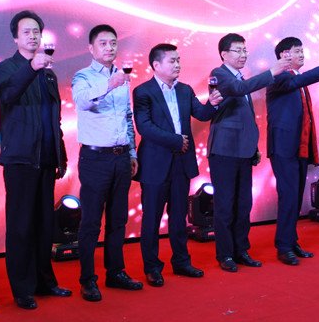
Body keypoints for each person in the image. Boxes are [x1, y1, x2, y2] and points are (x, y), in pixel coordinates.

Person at [0, 11, 71, 310]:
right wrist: (31, 67)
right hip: (20, 159)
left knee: (43, 224)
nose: (33, 36)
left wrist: (60, 154)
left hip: (46, 158)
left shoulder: (49, 74)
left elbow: (55, 118)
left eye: (36, 31)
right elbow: (8, 96)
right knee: (20, 225)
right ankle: (22, 288)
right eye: (26, 31)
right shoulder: (6, 68)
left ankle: (44, 282)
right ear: (15, 37)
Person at [133, 43, 223, 286]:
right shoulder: (143, 92)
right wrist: (175, 140)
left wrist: (213, 104)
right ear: (156, 65)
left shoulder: (185, 90)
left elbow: (201, 114)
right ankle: (152, 267)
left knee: (178, 216)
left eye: (178, 60)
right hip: (155, 164)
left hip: (181, 164)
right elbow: (144, 127)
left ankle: (181, 261)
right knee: (151, 218)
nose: (177, 65)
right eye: (172, 61)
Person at [208, 33, 290, 272]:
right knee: (225, 205)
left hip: (243, 151)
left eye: (245, 50)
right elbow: (237, 89)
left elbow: (245, 119)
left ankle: (241, 250)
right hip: (224, 150)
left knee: (244, 203)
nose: (244, 55)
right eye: (238, 50)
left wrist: (253, 147)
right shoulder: (219, 74)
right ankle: (225, 254)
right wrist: (272, 72)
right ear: (224, 54)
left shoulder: (240, 77)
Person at [72, 24, 143, 301]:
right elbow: (81, 102)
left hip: (121, 156)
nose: (109, 48)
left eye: (113, 43)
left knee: (118, 219)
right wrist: (109, 84)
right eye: (103, 43)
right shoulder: (83, 76)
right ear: (91, 48)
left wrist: (132, 153)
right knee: (91, 222)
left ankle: (115, 272)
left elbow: (127, 116)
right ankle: (88, 279)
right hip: (95, 158)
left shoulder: (122, 77)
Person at [266, 37, 319, 264]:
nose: (301, 54)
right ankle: (283, 247)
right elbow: (293, 83)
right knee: (288, 196)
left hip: (300, 147)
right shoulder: (279, 76)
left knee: (296, 196)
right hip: (283, 147)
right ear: (284, 55)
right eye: (296, 51)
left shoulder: (296, 78)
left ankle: (291, 241)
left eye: (302, 51)